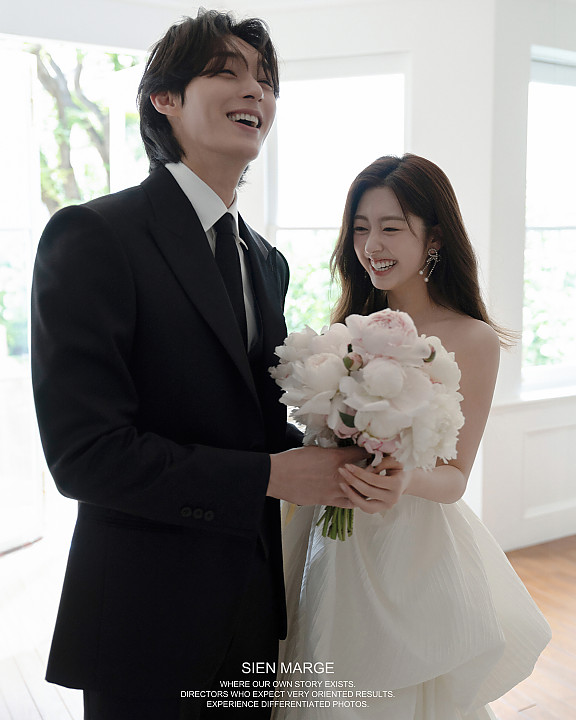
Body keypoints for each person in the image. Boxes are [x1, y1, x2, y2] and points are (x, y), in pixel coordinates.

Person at [31, 10, 363, 720]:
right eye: (227, 72)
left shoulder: (266, 261)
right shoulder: (95, 235)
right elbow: (86, 456)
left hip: (252, 609)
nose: (256, 91)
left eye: (266, 80)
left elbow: (252, 424)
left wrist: (347, 455)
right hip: (144, 615)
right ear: (165, 98)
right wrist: (273, 476)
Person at [274, 154, 551, 720]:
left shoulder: (472, 339)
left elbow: (454, 479)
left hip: (412, 548)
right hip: (331, 540)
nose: (372, 244)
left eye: (391, 228)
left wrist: (402, 480)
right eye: (360, 228)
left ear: (435, 238)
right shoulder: (344, 330)